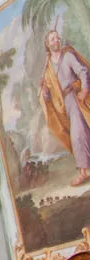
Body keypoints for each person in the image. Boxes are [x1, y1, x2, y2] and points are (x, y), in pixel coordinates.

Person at [40, 28, 90, 186]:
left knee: (78, 135)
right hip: (63, 106)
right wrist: (44, 91)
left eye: (57, 38)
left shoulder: (68, 56)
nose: (56, 41)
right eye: (52, 39)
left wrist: (85, 90)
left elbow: (83, 71)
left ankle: (83, 172)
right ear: (47, 44)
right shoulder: (48, 68)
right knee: (82, 133)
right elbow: (48, 96)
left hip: (75, 98)